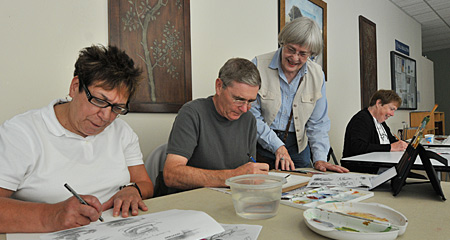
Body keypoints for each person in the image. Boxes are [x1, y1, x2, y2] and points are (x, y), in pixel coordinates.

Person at [0, 45, 153, 233]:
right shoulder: (21, 133)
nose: (106, 116)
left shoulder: (121, 131)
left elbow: (145, 183)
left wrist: (133, 190)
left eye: (116, 108)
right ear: (75, 87)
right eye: (99, 100)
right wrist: (51, 215)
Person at [249, 17, 348, 173]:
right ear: (282, 42)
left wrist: (320, 158)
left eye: (303, 54)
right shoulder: (258, 65)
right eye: (291, 49)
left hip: (298, 147)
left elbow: (318, 123)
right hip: (261, 143)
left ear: (311, 54)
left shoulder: (317, 75)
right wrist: (278, 146)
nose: (295, 58)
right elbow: (252, 116)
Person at [162, 58, 269, 194]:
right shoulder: (192, 113)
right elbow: (171, 175)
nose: (244, 109)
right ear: (219, 86)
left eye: (250, 101)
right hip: (193, 202)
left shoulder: (249, 120)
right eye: (238, 99)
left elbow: (247, 174)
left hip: (230, 200)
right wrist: (232, 177)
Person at [343, 89, 409, 173]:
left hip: (383, 167)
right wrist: (390, 147)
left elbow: (392, 141)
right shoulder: (361, 120)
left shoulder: (380, 122)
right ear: (378, 103)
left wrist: (404, 145)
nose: (392, 114)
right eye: (391, 109)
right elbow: (358, 147)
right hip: (365, 170)